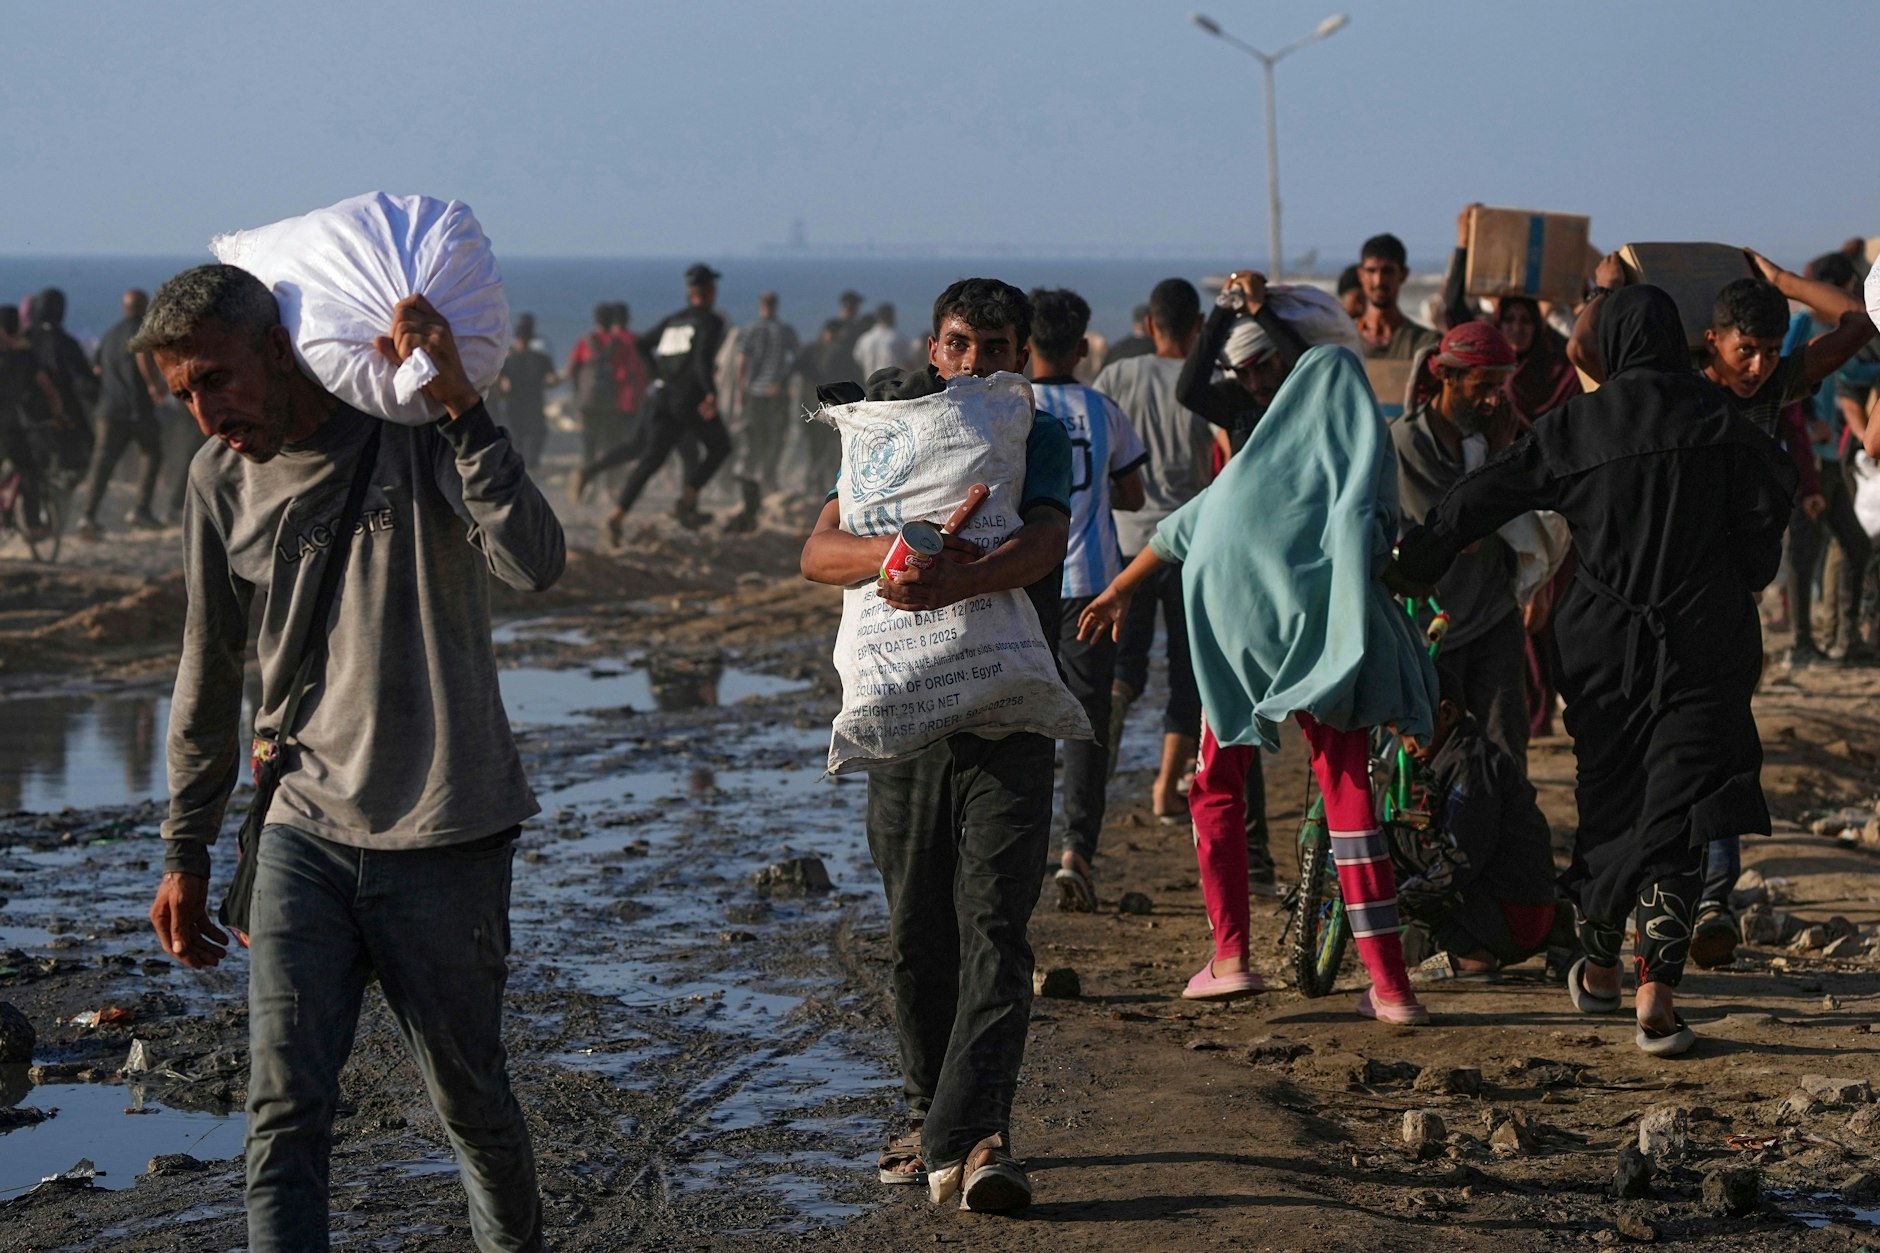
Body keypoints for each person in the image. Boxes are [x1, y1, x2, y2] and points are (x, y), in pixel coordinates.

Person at [140, 263, 563, 1248]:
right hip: (302, 827)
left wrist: (462, 409)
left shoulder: (413, 432)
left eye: (216, 379)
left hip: (448, 822)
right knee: (284, 1112)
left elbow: (535, 561)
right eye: (183, 394)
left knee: (471, 1102)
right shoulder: (216, 481)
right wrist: (185, 848)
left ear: (278, 349)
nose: (205, 413)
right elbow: (207, 667)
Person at [1397, 284, 1793, 1057]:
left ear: (1612, 346)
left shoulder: (1576, 424)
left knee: (1610, 796)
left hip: (1603, 643)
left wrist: (1420, 555)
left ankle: (1605, 962)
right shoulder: (1723, 421)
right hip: (1704, 640)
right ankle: (1654, 990)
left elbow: (1484, 492)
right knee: (1680, 800)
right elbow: (1761, 539)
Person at [799, 278, 1072, 1213]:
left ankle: (980, 1134)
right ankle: (929, 1116)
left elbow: (1047, 540)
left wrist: (964, 581)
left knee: (995, 923)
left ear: (1023, 357)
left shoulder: (1036, 433)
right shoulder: (890, 432)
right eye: (960, 344)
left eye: (996, 348)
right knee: (918, 928)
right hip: (908, 715)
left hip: (1010, 713)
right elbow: (818, 550)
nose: (975, 364)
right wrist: (896, 561)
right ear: (933, 348)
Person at [1081, 344, 1437, 1026]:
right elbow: (1376, 543)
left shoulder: (1250, 467)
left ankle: (1230, 956)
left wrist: (1120, 589)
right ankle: (1392, 987)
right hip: (1317, 637)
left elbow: (1177, 531)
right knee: (1348, 793)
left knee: (1217, 782)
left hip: (1230, 631)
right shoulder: (1359, 471)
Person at [1169, 269, 1315, 884]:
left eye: (1264, 367)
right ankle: (1253, 853)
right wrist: (1226, 313)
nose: (1257, 381)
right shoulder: (1236, 405)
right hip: (1242, 568)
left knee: (1318, 709)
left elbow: (1310, 366)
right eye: (1245, 372)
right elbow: (1188, 387)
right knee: (1240, 712)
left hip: (1297, 564)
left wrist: (1261, 313)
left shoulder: (1300, 402)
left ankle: (1329, 849)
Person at [1026, 288, 1146, 912]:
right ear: (1081, 348)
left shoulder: (1012, 407)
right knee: (1086, 719)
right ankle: (1078, 850)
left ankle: (1021, 849)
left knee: (1020, 713)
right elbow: (1133, 494)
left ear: (1025, 346)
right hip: (1092, 583)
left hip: (1023, 580)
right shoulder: (1101, 409)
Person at [1092, 280, 1213, 829]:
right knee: (1187, 670)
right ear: (1198, 327)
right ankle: (1166, 788)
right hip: (1187, 542)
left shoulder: (1118, 376)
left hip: (1126, 543)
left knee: (1124, 661)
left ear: (1149, 325)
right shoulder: (1203, 381)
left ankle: (1111, 729)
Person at [1393, 321, 1530, 773]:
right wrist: (1500, 455)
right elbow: (1459, 536)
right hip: (1434, 630)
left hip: (1493, 616)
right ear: (1447, 377)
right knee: (1437, 759)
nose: (1492, 401)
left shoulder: (1490, 432)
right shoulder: (1409, 445)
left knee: (1506, 750)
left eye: (1498, 387)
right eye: (1481, 387)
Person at [1399, 668, 1559, 979]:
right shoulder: (1460, 756)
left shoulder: (1469, 767)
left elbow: (1461, 859)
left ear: (1446, 713)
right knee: (1411, 952)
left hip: (1516, 920)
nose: (1407, 747)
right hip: (1528, 914)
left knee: (1392, 846)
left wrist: (1403, 902)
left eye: (1410, 731)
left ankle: (1473, 956)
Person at [1780, 253, 1876, 667]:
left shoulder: (1839, 333)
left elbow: (1852, 377)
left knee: (1855, 545)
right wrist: (1810, 421)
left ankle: (1844, 637)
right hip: (1806, 460)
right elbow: (1783, 381)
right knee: (1804, 551)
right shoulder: (1803, 326)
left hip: (1830, 458)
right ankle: (1801, 642)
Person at [598, 264, 729, 540]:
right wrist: (711, 393)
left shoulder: (674, 320)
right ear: (710, 292)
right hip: (689, 401)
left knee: (652, 459)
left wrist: (657, 374)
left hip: (663, 398)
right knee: (720, 446)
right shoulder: (711, 322)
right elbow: (702, 360)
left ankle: (617, 516)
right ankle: (688, 499)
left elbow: (642, 344)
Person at [75, 288, 167, 538]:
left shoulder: (110, 334)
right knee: (152, 454)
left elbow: (97, 369)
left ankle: (87, 516)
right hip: (137, 408)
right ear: (145, 307)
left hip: (108, 410)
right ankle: (141, 509)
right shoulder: (144, 330)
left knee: (103, 463)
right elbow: (143, 355)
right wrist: (154, 385)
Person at [731, 290, 799, 527]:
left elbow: (742, 362)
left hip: (758, 392)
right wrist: (784, 382)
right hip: (771, 392)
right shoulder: (783, 330)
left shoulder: (752, 329)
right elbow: (795, 359)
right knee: (773, 438)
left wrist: (741, 390)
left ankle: (758, 479)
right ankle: (766, 479)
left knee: (760, 437)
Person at [0, 305, 65, 538]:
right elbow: (49, 391)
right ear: (17, 327)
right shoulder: (24, 356)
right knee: (28, 471)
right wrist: (59, 416)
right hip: (8, 423)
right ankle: (33, 525)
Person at [25, 286, 98, 473]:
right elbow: (82, 381)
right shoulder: (65, 343)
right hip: (63, 412)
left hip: (25, 411)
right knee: (82, 458)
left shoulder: (24, 339)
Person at [1356, 234, 1439, 361]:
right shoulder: (1343, 339)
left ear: (1403, 274)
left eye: (1387, 271)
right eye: (1371, 271)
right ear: (1360, 274)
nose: (1378, 281)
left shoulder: (1423, 342)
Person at [792, 318, 851, 495]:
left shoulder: (813, 350)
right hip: (827, 409)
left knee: (817, 448)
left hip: (814, 408)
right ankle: (820, 484)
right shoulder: (839, 353)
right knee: (827, 449)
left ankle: (815, 483)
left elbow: (795, 366)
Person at [495, 313, 556, 469]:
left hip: (513, 402)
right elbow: (552, 380)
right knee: (537, 433)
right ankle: (532, 464)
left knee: (516, 435)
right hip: (534, 401)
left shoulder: (508, 359)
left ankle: (517, 465)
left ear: (516, 339)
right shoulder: (541, 358)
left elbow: (499, 381)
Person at [854, 302, 904, 378]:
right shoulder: (899, 337)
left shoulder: (864, 338)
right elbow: (909, 362)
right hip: (893, 383)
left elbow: (858, 358)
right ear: (892, 317)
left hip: (870, 382)